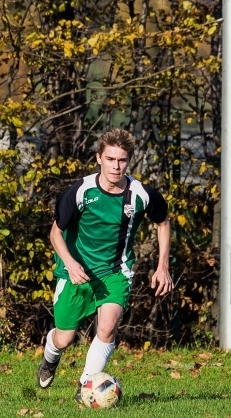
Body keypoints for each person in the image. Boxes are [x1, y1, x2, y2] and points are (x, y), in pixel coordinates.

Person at [36, 128, 174, 403]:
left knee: (108, 326)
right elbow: (55, 233)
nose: (116, 166)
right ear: (99, 158)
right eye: (110, 159)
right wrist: (70, 263)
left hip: (115, 271)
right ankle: (50, 358)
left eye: (122, 160)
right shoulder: (80, 191)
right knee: (64, 338)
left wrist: (162, 267)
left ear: (129, 160)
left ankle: (86, 388)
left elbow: (163, 222)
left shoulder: (140, 194)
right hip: (76, 271)